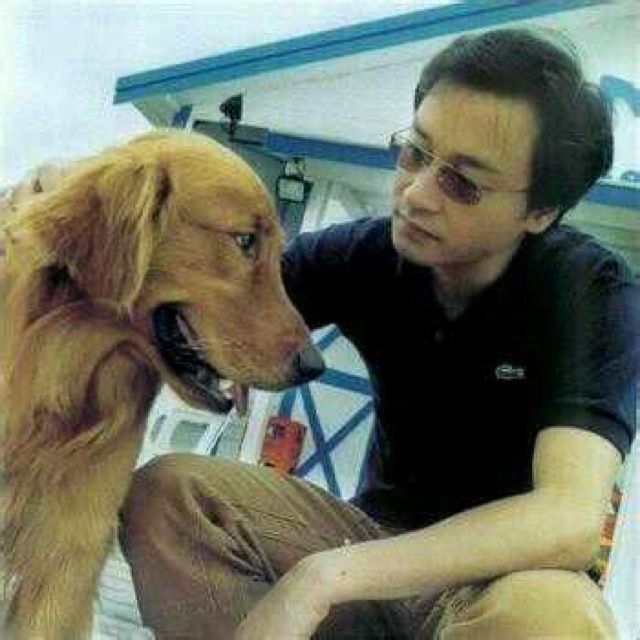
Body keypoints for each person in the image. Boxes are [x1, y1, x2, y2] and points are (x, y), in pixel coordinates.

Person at [5, 28, 638, 639]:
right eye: (416, 152)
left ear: (540, 212)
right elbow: (184, 279)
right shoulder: (369, 254)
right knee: (170, 496)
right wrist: (67, 201)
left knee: (554, 617)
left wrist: (321, 578)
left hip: (496, 585)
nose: (416, 195)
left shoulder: (589, 292)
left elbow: (568, 519)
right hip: (369, 534)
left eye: (463, 183)